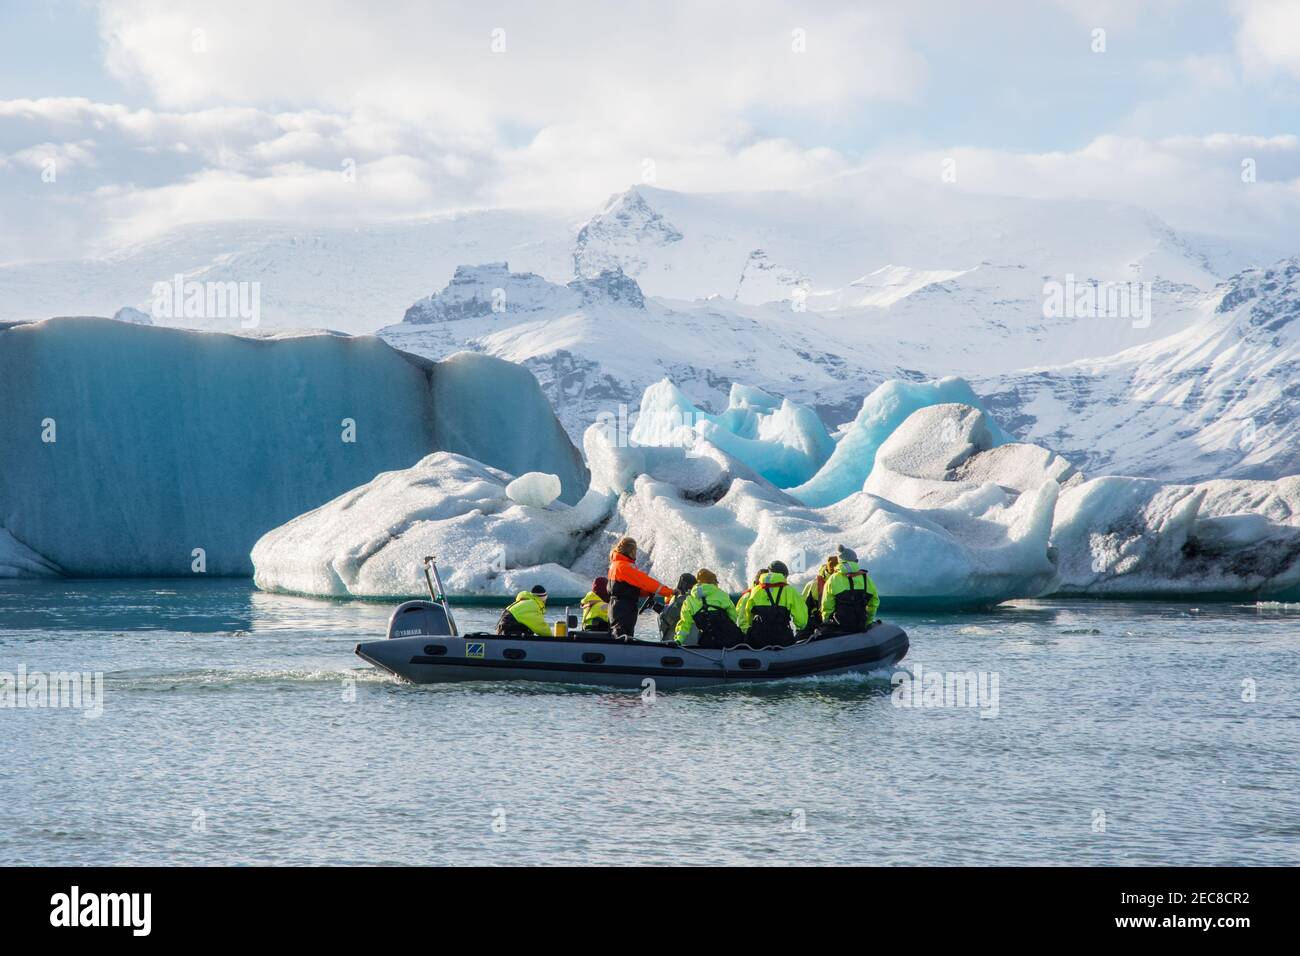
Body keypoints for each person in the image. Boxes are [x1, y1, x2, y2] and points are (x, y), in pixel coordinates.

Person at [607, 536, 673, 638]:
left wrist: (645, 592)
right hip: (623, 609)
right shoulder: (623, 567)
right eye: (635, 550)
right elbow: (645, 582)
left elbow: (625, 588)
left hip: (619, 607)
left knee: (621, 635)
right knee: (622, 636)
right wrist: (670, 592)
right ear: (632, 550)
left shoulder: (617, 565)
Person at [740, 560, 808, 646]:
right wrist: (800, 628)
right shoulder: (790, 591)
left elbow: (747, 617)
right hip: (782, 639)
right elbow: (801, 621)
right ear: (784, 575)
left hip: (758, 639)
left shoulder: (755, 590)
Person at [819, 546, 880, 635]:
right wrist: (868, 621)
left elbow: (827, 604)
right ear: (855, 561)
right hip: (860, 625)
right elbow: (874, 602)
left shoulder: (833, 579)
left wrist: (826, 621)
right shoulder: (866, 579)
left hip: (839, 627)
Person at [674, 569, 743, 648]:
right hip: (730, 640)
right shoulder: (721, 594)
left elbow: (684, 624)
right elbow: (733, 615)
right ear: (712, 582)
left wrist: (678, 641)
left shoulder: (688, 601)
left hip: (708, 642)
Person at [798, 554, 838, 637]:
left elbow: (803, 610)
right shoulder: (813, 585)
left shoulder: (812, 584)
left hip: (837, 620)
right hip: (822, 621)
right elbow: (803, 610)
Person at [658, 572, 697, 643]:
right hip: (693, 640)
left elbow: (667, 620)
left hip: (675, 640)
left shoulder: (678, 600)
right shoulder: (696, 600)